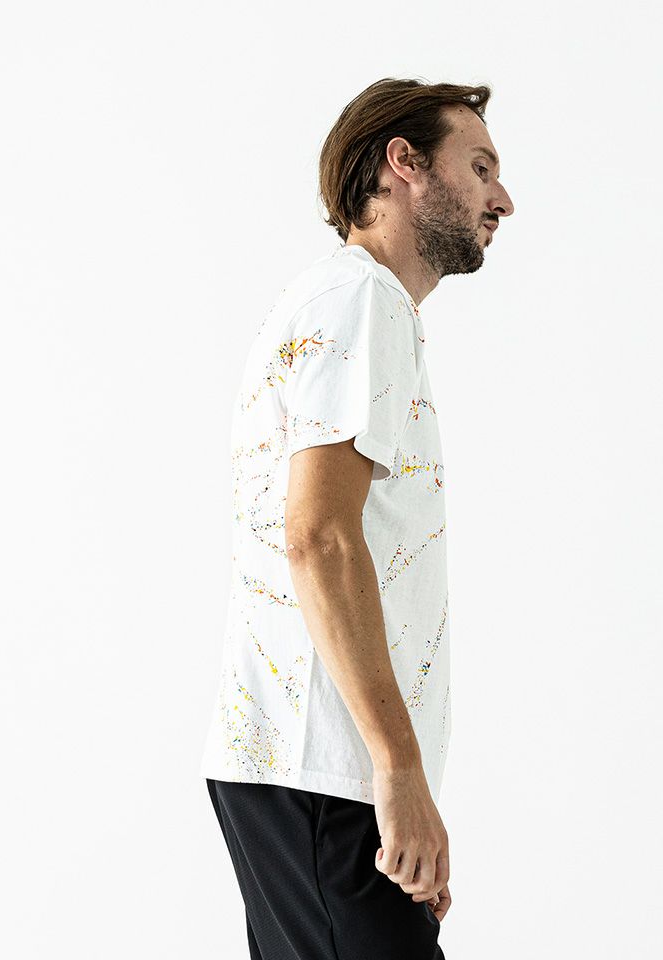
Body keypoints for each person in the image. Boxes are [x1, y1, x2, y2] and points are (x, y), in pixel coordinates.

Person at [199, 76, 514, 960]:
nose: (503, 198)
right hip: (321, 772)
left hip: (314, 773)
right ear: (403, 163)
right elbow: (321, 537)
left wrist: (398, 789)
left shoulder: (348, 303)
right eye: (480, 167)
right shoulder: (359, 299)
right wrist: (396, 771)